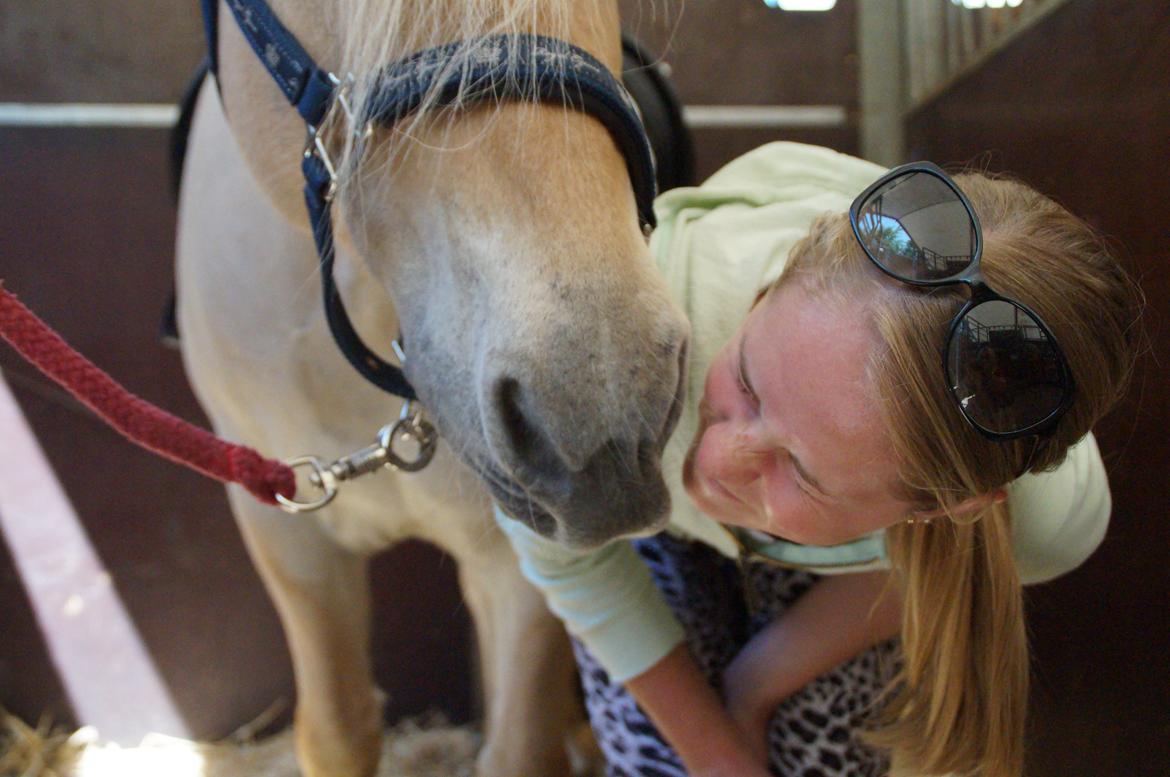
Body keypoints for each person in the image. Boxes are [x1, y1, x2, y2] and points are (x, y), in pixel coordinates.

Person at [494, 142, 1142, 777]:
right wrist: (713, 747)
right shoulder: (627, 337)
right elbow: (557, 549)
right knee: (656, 756)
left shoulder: (1045, 524)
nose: (714, 463)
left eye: (800, 470)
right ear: (771, 291)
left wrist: (759, 681)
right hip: (636, 478)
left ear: (945, 508)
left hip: (838, 544)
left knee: (823, 754)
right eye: (745, 381)